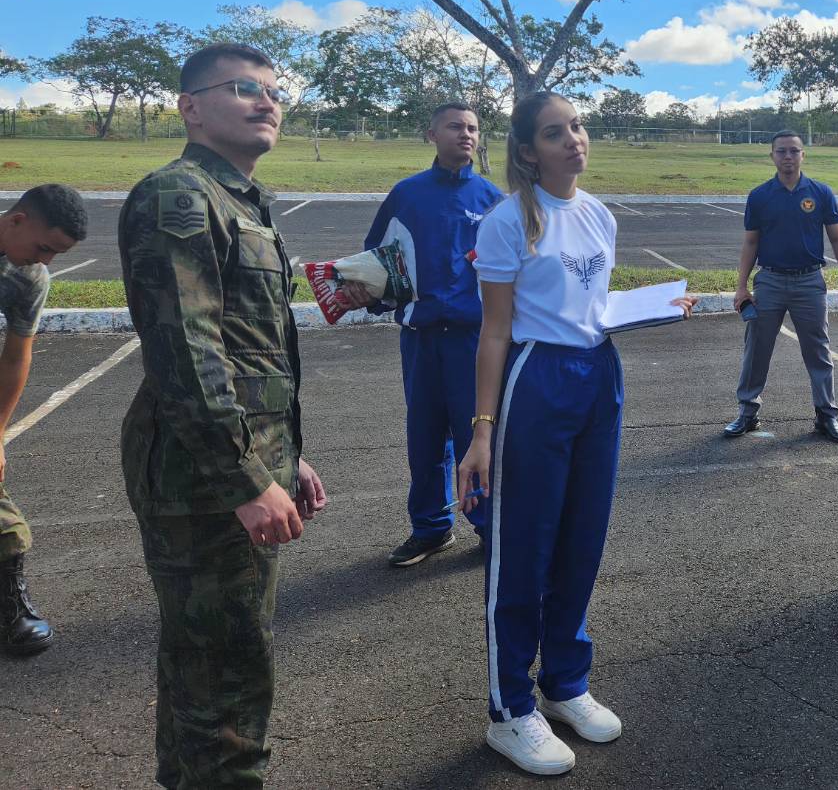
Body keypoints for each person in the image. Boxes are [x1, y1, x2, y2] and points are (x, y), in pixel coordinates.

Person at [457, 91, 695, 776]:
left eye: (578, 127)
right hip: (536, 381)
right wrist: (482, 429)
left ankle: (563, 683)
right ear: (528, 150)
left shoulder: (597, 214)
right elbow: (496, 330)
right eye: (555, 133)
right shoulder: (508, 221)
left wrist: (648, 309)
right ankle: (509, 709)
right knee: (523, 547)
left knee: (582, 538)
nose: (573, 141)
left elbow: (592, 307)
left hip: (600, 375)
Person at [119, 43, 328, 789]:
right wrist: (247, 480)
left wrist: (285, 454)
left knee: (204, 668)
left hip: (231, 462)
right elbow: (186, 354)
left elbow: (248, 352)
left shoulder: (237, 198)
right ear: (191, 106)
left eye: (274, 91)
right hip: (203, 481)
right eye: (244, 88)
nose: (266, 101)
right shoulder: (181, 195)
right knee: (227, 684)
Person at [339, 101, 503, 566]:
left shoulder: (493, 200)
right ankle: (431, 528)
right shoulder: (406, 195)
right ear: (430, 133)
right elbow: (377, 264)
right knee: (426, 438)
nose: (465, 134)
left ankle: (491, 529)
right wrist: (364, 293)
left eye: (472, 127)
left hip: (474, 342)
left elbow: (514, 276)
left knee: (479, 438)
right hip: (422, 339)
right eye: (454, 126)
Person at [725, 131, 838, 443]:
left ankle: (826, 417)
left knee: (818, 351)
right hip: (770, 281)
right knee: (757, 349)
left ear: (803, 155)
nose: (788, 157)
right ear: (771, 155)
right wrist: (741, 287)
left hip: (810, 282)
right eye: (782, 152)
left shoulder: (820, 193)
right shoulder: (760, 196)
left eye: (794, 152)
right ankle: (748, 413)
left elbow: (837, 238)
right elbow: (750, 242)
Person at [0, 184, 86, 655]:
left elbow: (16, 355)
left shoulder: (28, 276)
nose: (48, 261)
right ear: (16, 220)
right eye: (45, 247)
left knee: (4, 521)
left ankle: (11, 611)